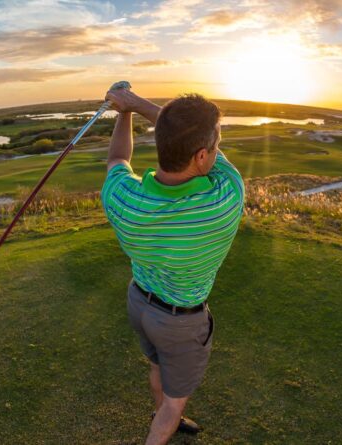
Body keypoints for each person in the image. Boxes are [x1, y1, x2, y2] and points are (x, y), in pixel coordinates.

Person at [101, 89, 245, 445]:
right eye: (214, 146)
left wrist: (124, 112)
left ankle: (163, 413)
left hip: (139, 303)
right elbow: (176, 130)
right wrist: (134, 103)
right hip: (181, 321)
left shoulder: (122, 196)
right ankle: (167, 417)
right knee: (175, 401)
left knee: (156, 366)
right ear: (201, 156)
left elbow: (118, 157)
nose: (217, 151)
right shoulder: (226, 197)